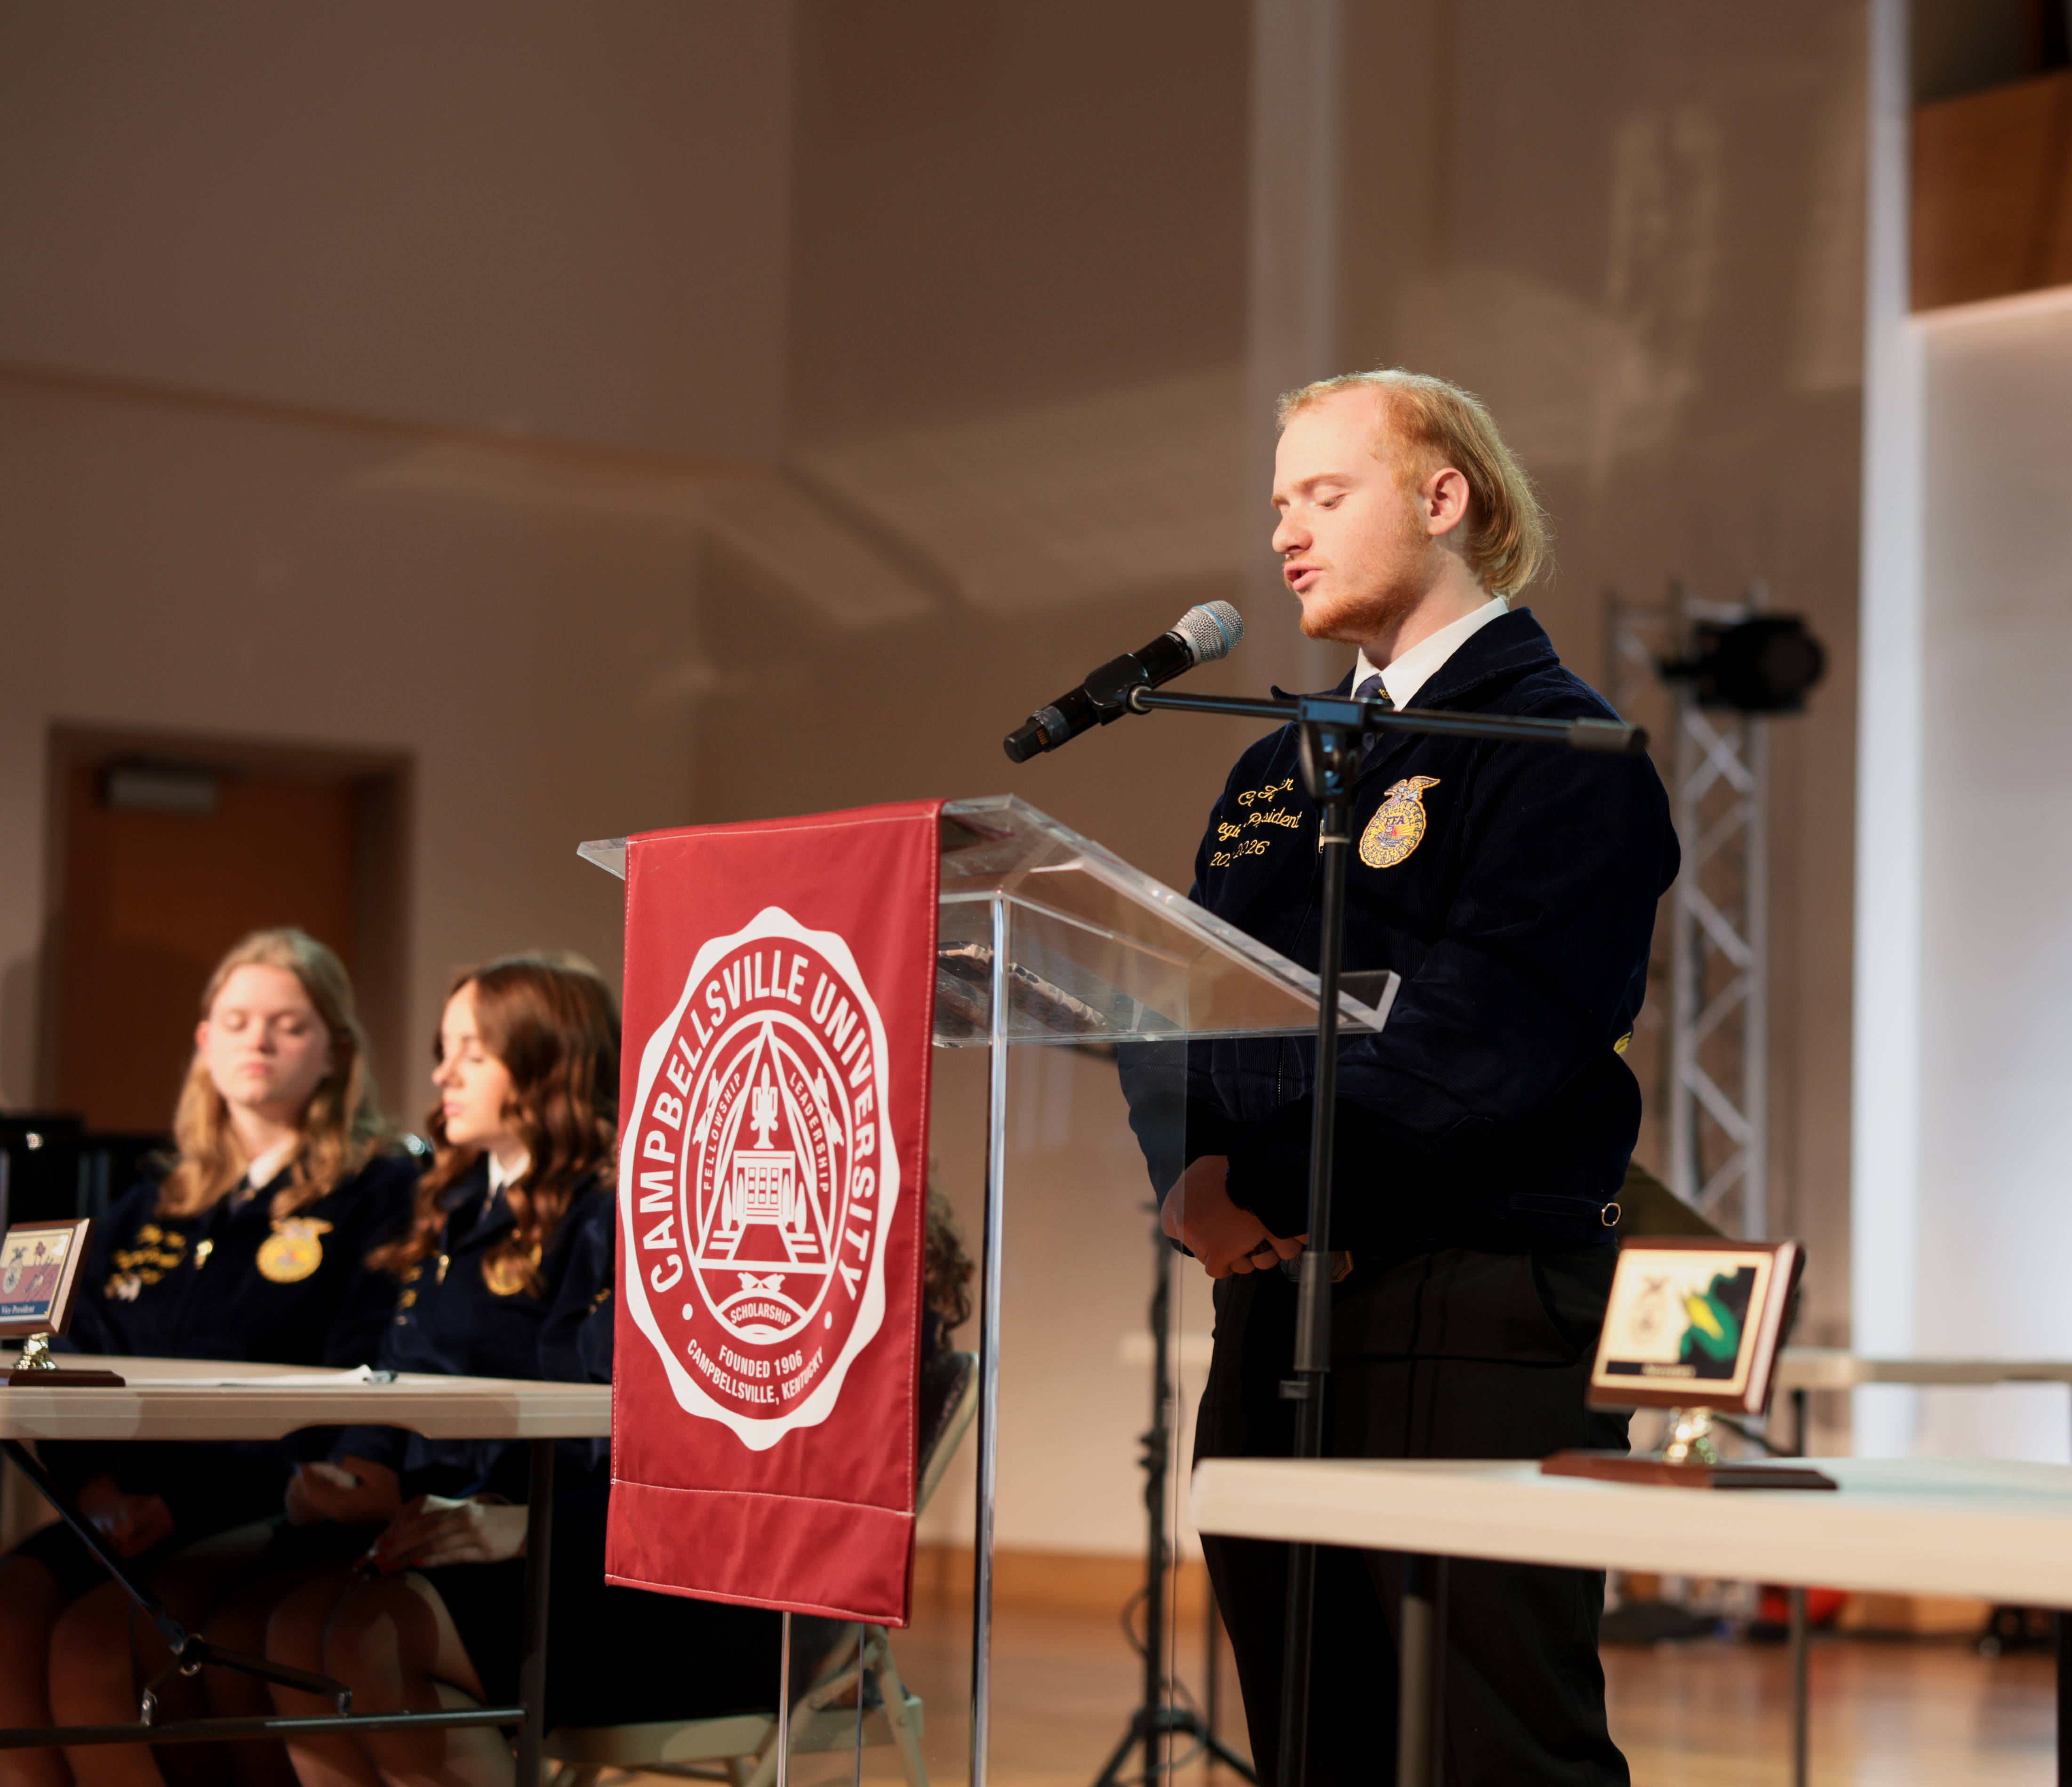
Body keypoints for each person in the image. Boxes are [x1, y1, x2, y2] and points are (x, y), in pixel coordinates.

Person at [1119, 369, 1677, 1783]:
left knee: (1492, 1747)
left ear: (1446, 500)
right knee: (1317, 1745)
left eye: (1324, 494)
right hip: (1272, 1306)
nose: (1286, 536)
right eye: (1278, 504)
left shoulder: (1564, 754)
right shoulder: (1272, 765)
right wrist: (1186, 1176)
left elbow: (1484, 1047)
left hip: (1471, 1306)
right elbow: (1174, 997)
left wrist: (1256, 1180)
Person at [258, 954, 978, 1787]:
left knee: (363, 1638)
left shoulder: (839, 1265)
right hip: (616, 1553)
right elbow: (611, 1433)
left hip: (732, 1598)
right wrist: (512, 1513)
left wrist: (535, 1530)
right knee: (305, 1632)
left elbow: (753, 1480)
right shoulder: (653, 1226)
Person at [0, 929, 418, 1787]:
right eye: (235, 1020)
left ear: (337, 1050)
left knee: (91, 1645)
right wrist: (94, 1490)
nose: (257, 1042)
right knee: (5, 1614)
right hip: (118, 1503)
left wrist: (183, 1505)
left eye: (287, 1025)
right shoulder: (160, 1194)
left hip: (259, 1504)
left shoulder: (377, 1190)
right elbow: (67, 1343)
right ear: (204, 1042)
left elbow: (359, 1378)